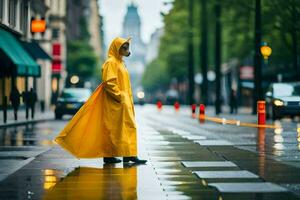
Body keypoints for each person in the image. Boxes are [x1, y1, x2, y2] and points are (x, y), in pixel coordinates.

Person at [54, 37, 147, 165]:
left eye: (127, 47)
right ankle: (109, 156)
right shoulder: (111, 62)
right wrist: (120, 97)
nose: (127, 50)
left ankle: (129, 154)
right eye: (124, 47)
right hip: (115, 103)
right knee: (112, 130)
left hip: (123, 103)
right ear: (117, 48)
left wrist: (125, 99)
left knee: (128, 127)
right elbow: (109, 82)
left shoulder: (120, 63)